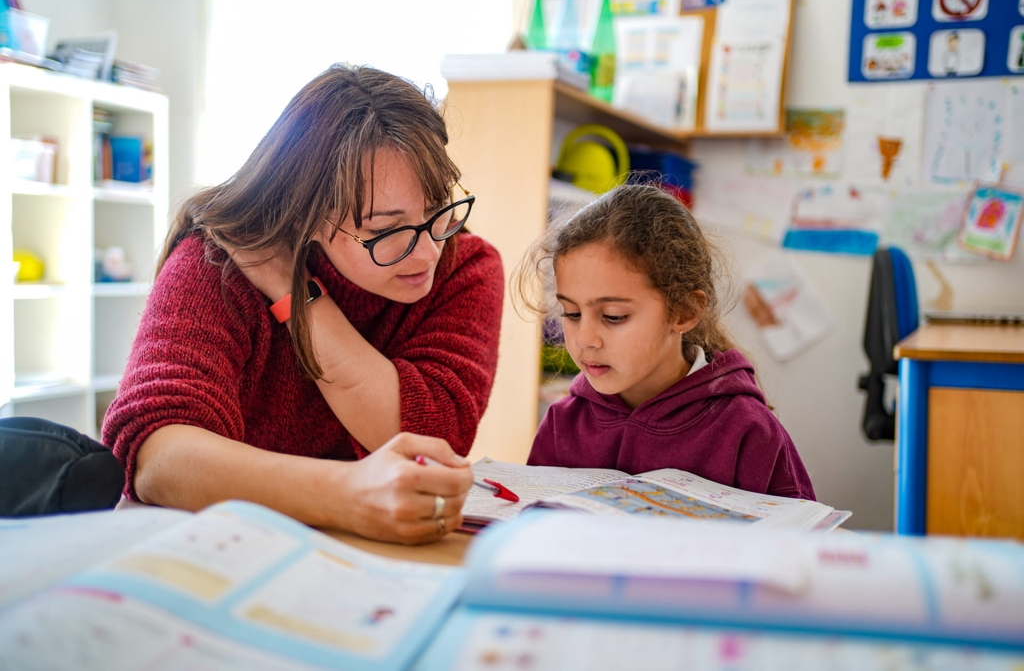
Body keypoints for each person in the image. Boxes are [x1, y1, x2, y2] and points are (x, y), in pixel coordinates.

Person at [102, 64, 505, 544]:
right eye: (385, 230)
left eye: (437, 208)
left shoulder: (467, 265)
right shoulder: (220, 262)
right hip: (223, 549)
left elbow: (435, 438)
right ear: (307, 215)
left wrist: (298, 299)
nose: (428, 252)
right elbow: (158, 458)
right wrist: (346, 494)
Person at [514, 184, 815, 500]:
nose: (585, 339)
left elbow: (800, 545)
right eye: (571, 313)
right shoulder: (564, 421)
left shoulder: (748, 431)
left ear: (684, 311)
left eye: (614, 316)